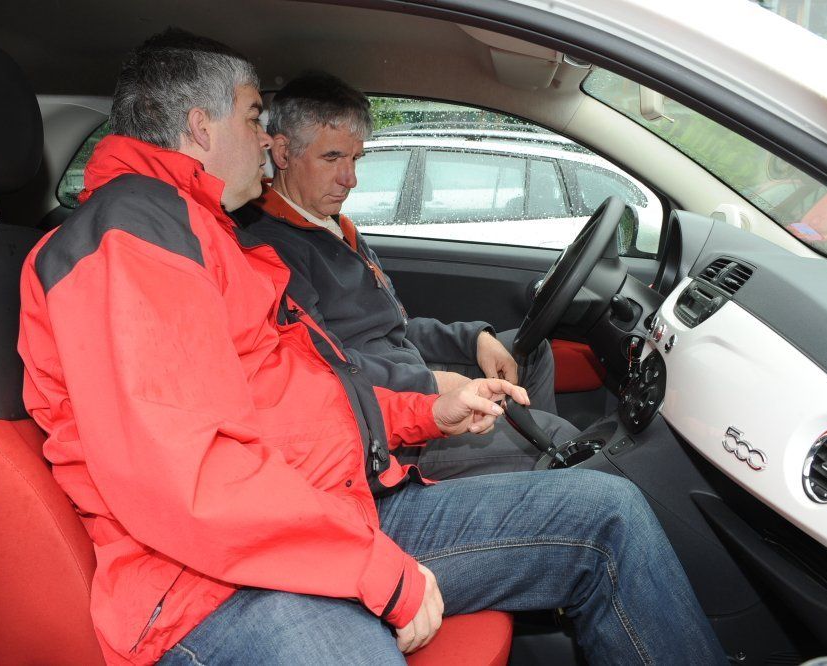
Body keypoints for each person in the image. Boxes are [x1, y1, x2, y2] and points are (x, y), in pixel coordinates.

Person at [17, 29, 726, 666]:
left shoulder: (208, 234)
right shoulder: (130, 240)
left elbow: (301, 394)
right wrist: (374, 570)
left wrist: (421, 414)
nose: (265, 141)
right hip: (216, 583)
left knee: (607, 514)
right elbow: (187, 478)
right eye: (254, 117)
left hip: (333, 509)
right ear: (201, 126)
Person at [234, 73, 578, 479]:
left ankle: (534, 479)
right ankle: (544, 472)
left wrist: (474, 339)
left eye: (355, 159)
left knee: (531, 353)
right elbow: (322, 367)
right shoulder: (270, 248)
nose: (350, 179)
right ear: (283, 153)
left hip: (405, 372)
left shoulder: (332, 225)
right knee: (556, 439)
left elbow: (396, 327)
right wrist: (431, 383)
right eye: (332, 158)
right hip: (382, 423)